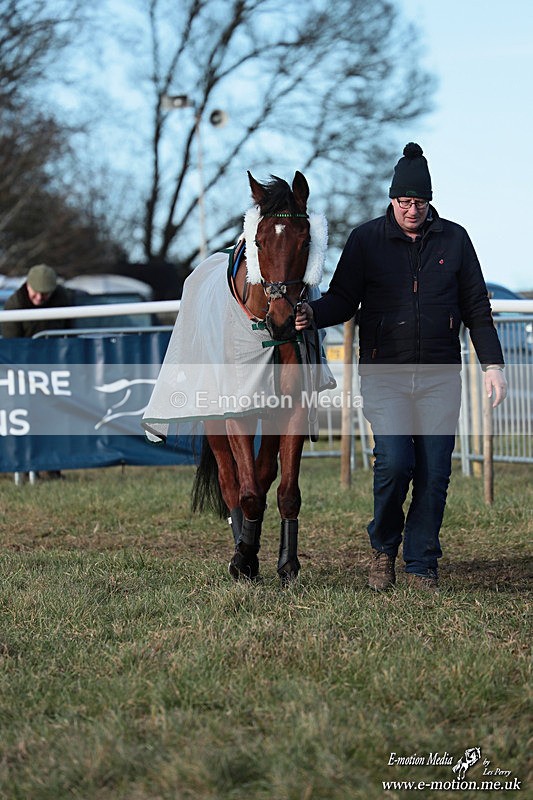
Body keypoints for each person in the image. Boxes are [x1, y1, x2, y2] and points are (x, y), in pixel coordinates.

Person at [295, 143, 507, 591]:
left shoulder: (455, 239)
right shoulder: (366, 240)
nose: (411, 210)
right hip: (384, 373)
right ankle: (383, 550)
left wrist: (493, 365)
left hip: (440, 376)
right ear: (392, 200)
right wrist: (313, 314)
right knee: (393, 463)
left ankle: (421, 564)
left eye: (419, 202)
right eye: (404, 201)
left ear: (430, 201)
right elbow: (342, 298)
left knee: (435, 471)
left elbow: (476, 307)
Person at [2, 263, 73, 480]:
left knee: (54, 419)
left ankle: (52, 468)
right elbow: (12, 345)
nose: (40, 298)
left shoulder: (63, 299)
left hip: (53, 370)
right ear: (27, 287)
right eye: (36, 293)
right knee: (24, 419)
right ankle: (23, 468)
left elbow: (70, 334)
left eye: (45, 294)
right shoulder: (15, 304)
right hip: (23, 370)